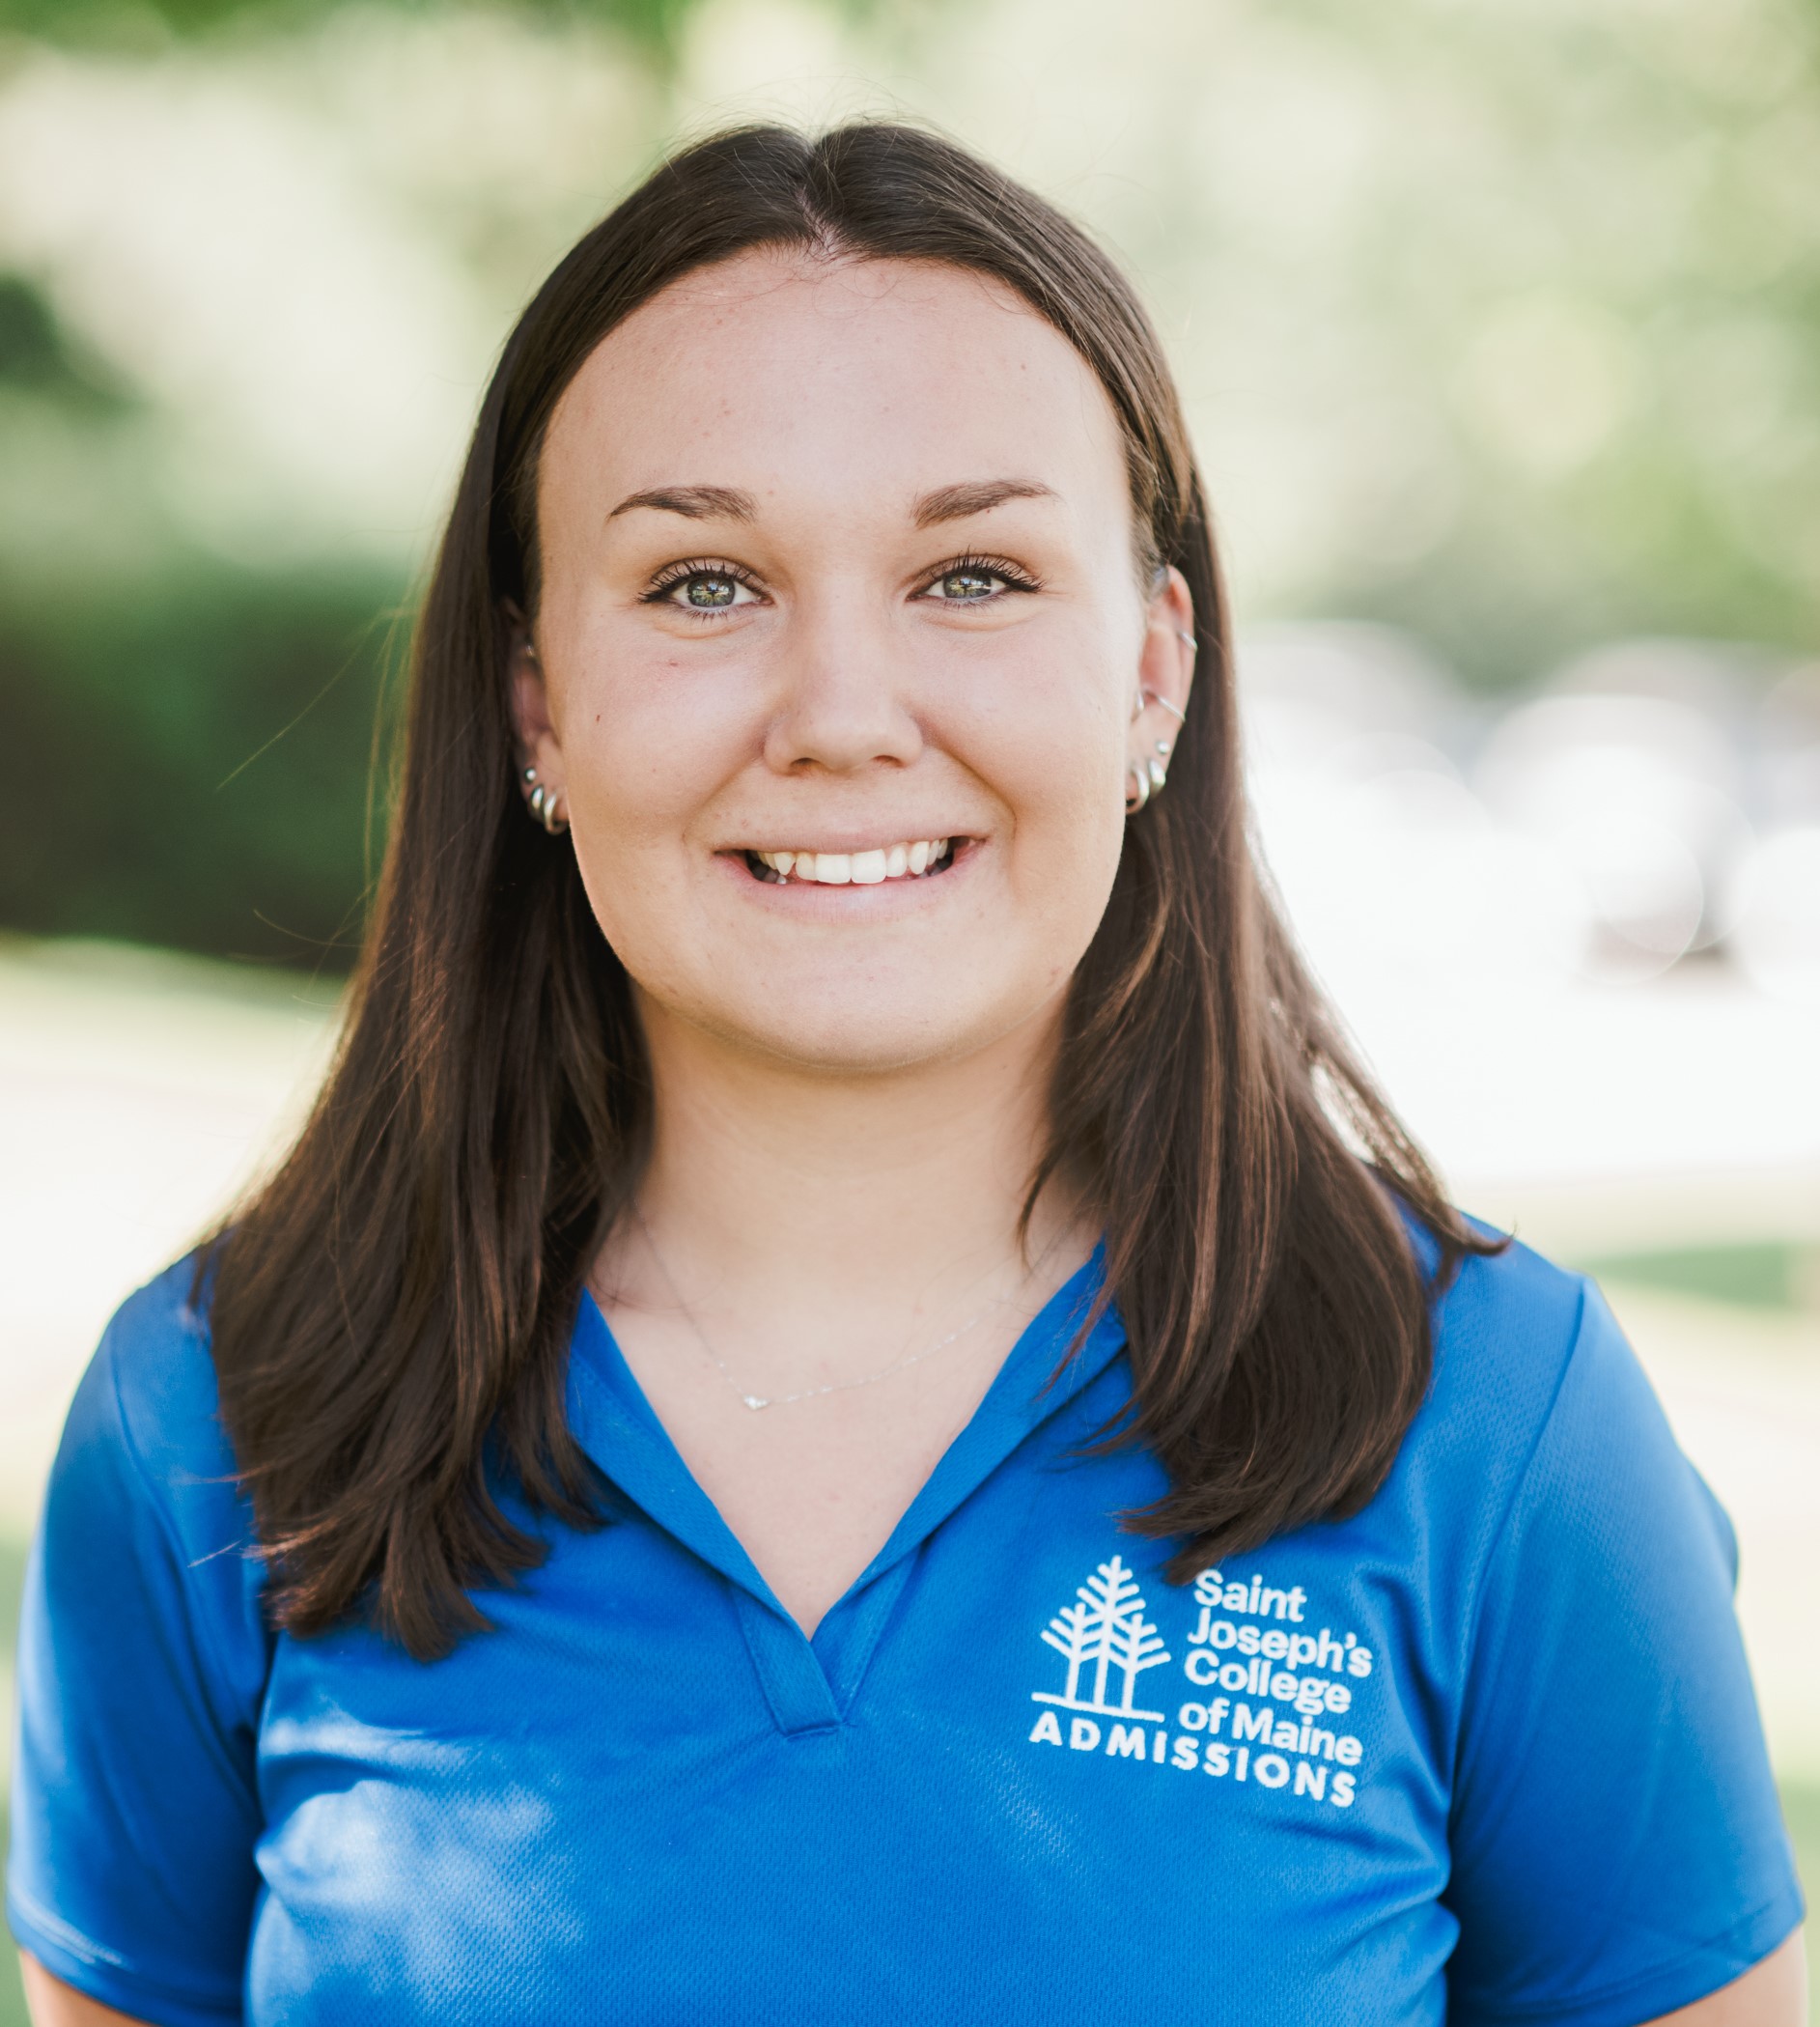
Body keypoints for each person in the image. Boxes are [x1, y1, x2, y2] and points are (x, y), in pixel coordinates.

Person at [7, 122, 1806, 2027]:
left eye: (971, 576)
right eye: (704, 584)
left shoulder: (1490, 1419)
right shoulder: (215, 1418)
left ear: (1152, 676)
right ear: (536, 699)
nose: (844, 719)